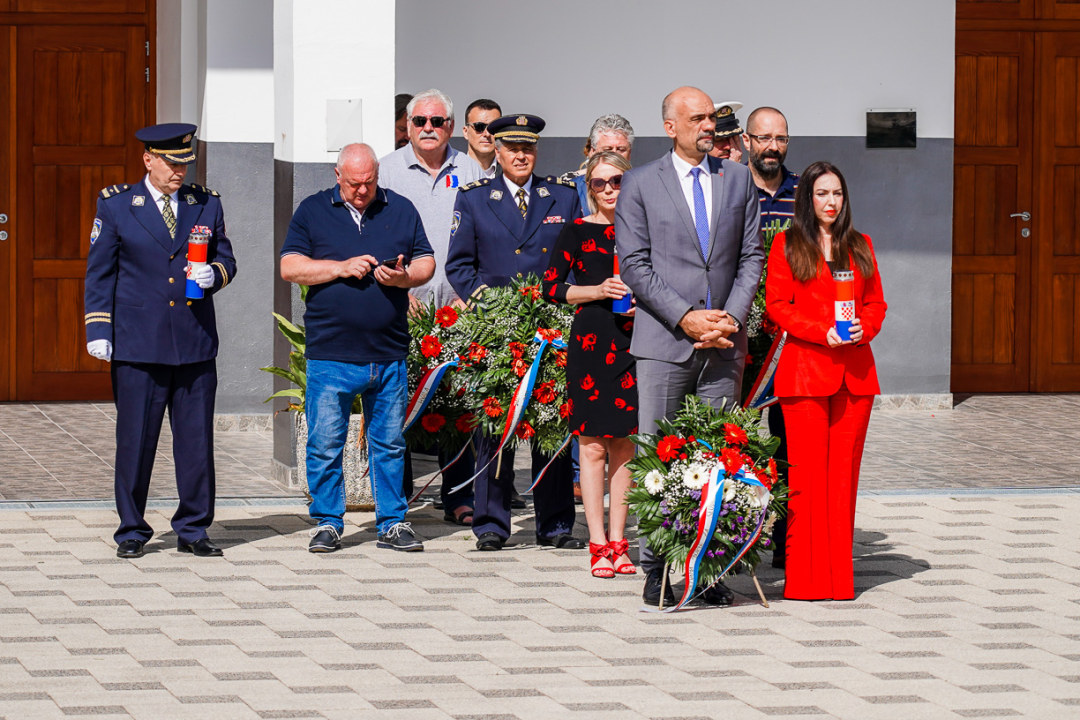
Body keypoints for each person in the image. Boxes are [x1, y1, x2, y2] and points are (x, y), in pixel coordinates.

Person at [615, 87, 764, 607]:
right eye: (698, 118)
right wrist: (686, 317)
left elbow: (751, 257)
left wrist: (730, 318)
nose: (709, 126)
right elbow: (635, 266)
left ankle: (711, 570)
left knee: (720, 456)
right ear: (670, 126)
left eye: (711, 118)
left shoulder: (738, 178)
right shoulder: (638, 184)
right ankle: (656, 571)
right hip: (664, 343)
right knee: (659, 457)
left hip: (723, 344)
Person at [83, 123, 237, 559]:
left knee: (195, 442)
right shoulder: (116, 206)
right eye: (171, 163)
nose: (178, 172)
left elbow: (226, 258)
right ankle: (131, 528)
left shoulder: (204, 204)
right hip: (138, 342)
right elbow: (100, 273)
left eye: (184, 163)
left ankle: (193, 528)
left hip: (193, 341)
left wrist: (214, 276)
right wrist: (99, 328)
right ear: (148, 159)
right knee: (136, 440)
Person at [280, 143, 436, 554]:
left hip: (388, 354)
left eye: (368, 182)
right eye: (353, 184)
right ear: (337, 176)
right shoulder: (313, 210)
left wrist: (404, 279)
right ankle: (329, 523)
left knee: (389, 445)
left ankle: (393, 523)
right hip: (331, 355)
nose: (362, 191)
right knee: (325, 442)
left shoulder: (400, 208)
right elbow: (290, 266)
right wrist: (339, 267)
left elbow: (426, 261)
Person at [446, 114, 583, 552]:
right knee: (494, 426)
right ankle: (490, 523)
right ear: (497, 152)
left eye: (528, 148)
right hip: (497, 328)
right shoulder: (473, 199)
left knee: (552, 425)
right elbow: (459, 266)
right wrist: (495, 307)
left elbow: (575, 259)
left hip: (550, 329)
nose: (520, 155)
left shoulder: (561, 196)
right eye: (512, 148)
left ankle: (557, 523)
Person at [765, 161, 886, 601]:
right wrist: (823, 331)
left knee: (842, 483)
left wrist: (863, 328)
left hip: (855, 377)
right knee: (806, 483)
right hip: (805, 375)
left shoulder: (861, 245)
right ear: (807, 199)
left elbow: (875, 304)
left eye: (836, 193)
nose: (830, 202)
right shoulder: (788, 244)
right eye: (821, 194)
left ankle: (839, 581)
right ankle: (804, 582)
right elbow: (778, 305)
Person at [379, 89, 483, 525]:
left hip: (457, 306)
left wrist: (470, 291)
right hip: (403, 305)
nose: (427, 129)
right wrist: (400, 294)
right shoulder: (386, 170)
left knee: (460, 402)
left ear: (450, 127)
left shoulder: (472, 168)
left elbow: (483, 231)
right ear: (407, 123)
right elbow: (375, 234)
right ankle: (397, 495)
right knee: (397, 400)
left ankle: (457, 495)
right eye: (419, 121)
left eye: (437, 122)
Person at [542, 151, 637, 578]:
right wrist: (596, 290)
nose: (609, 190)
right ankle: (597, 542)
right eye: (599, 183)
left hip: (636, 343)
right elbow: (551, 288)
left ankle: (621, 539)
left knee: (626, 446)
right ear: (588, 188)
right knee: (593, 445)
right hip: (593, 342)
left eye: (616, 181)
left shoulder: (644, 229)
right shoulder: (577, 231)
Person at [744, 106, 799, 569]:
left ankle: (786, 540)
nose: (772, 146)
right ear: (747, 141)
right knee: (737, 440)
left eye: (780, 138)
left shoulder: (803, 195)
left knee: (786, 444)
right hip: (740, 340)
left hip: (788, 342)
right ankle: (737, 534)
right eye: (764, 138)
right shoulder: (730, 189)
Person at [559, 114, 634, 211]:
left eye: (621, 149)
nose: (615, 154)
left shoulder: (642, 187)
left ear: (630, 153)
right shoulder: (571, 188)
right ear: (593, 151)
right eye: (607, 149)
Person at [462, 98, 502, 179]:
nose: (487, 134)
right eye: (479, 127)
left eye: (493, 128)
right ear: (466, 132)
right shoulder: (450, 172)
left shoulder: (511, 174)